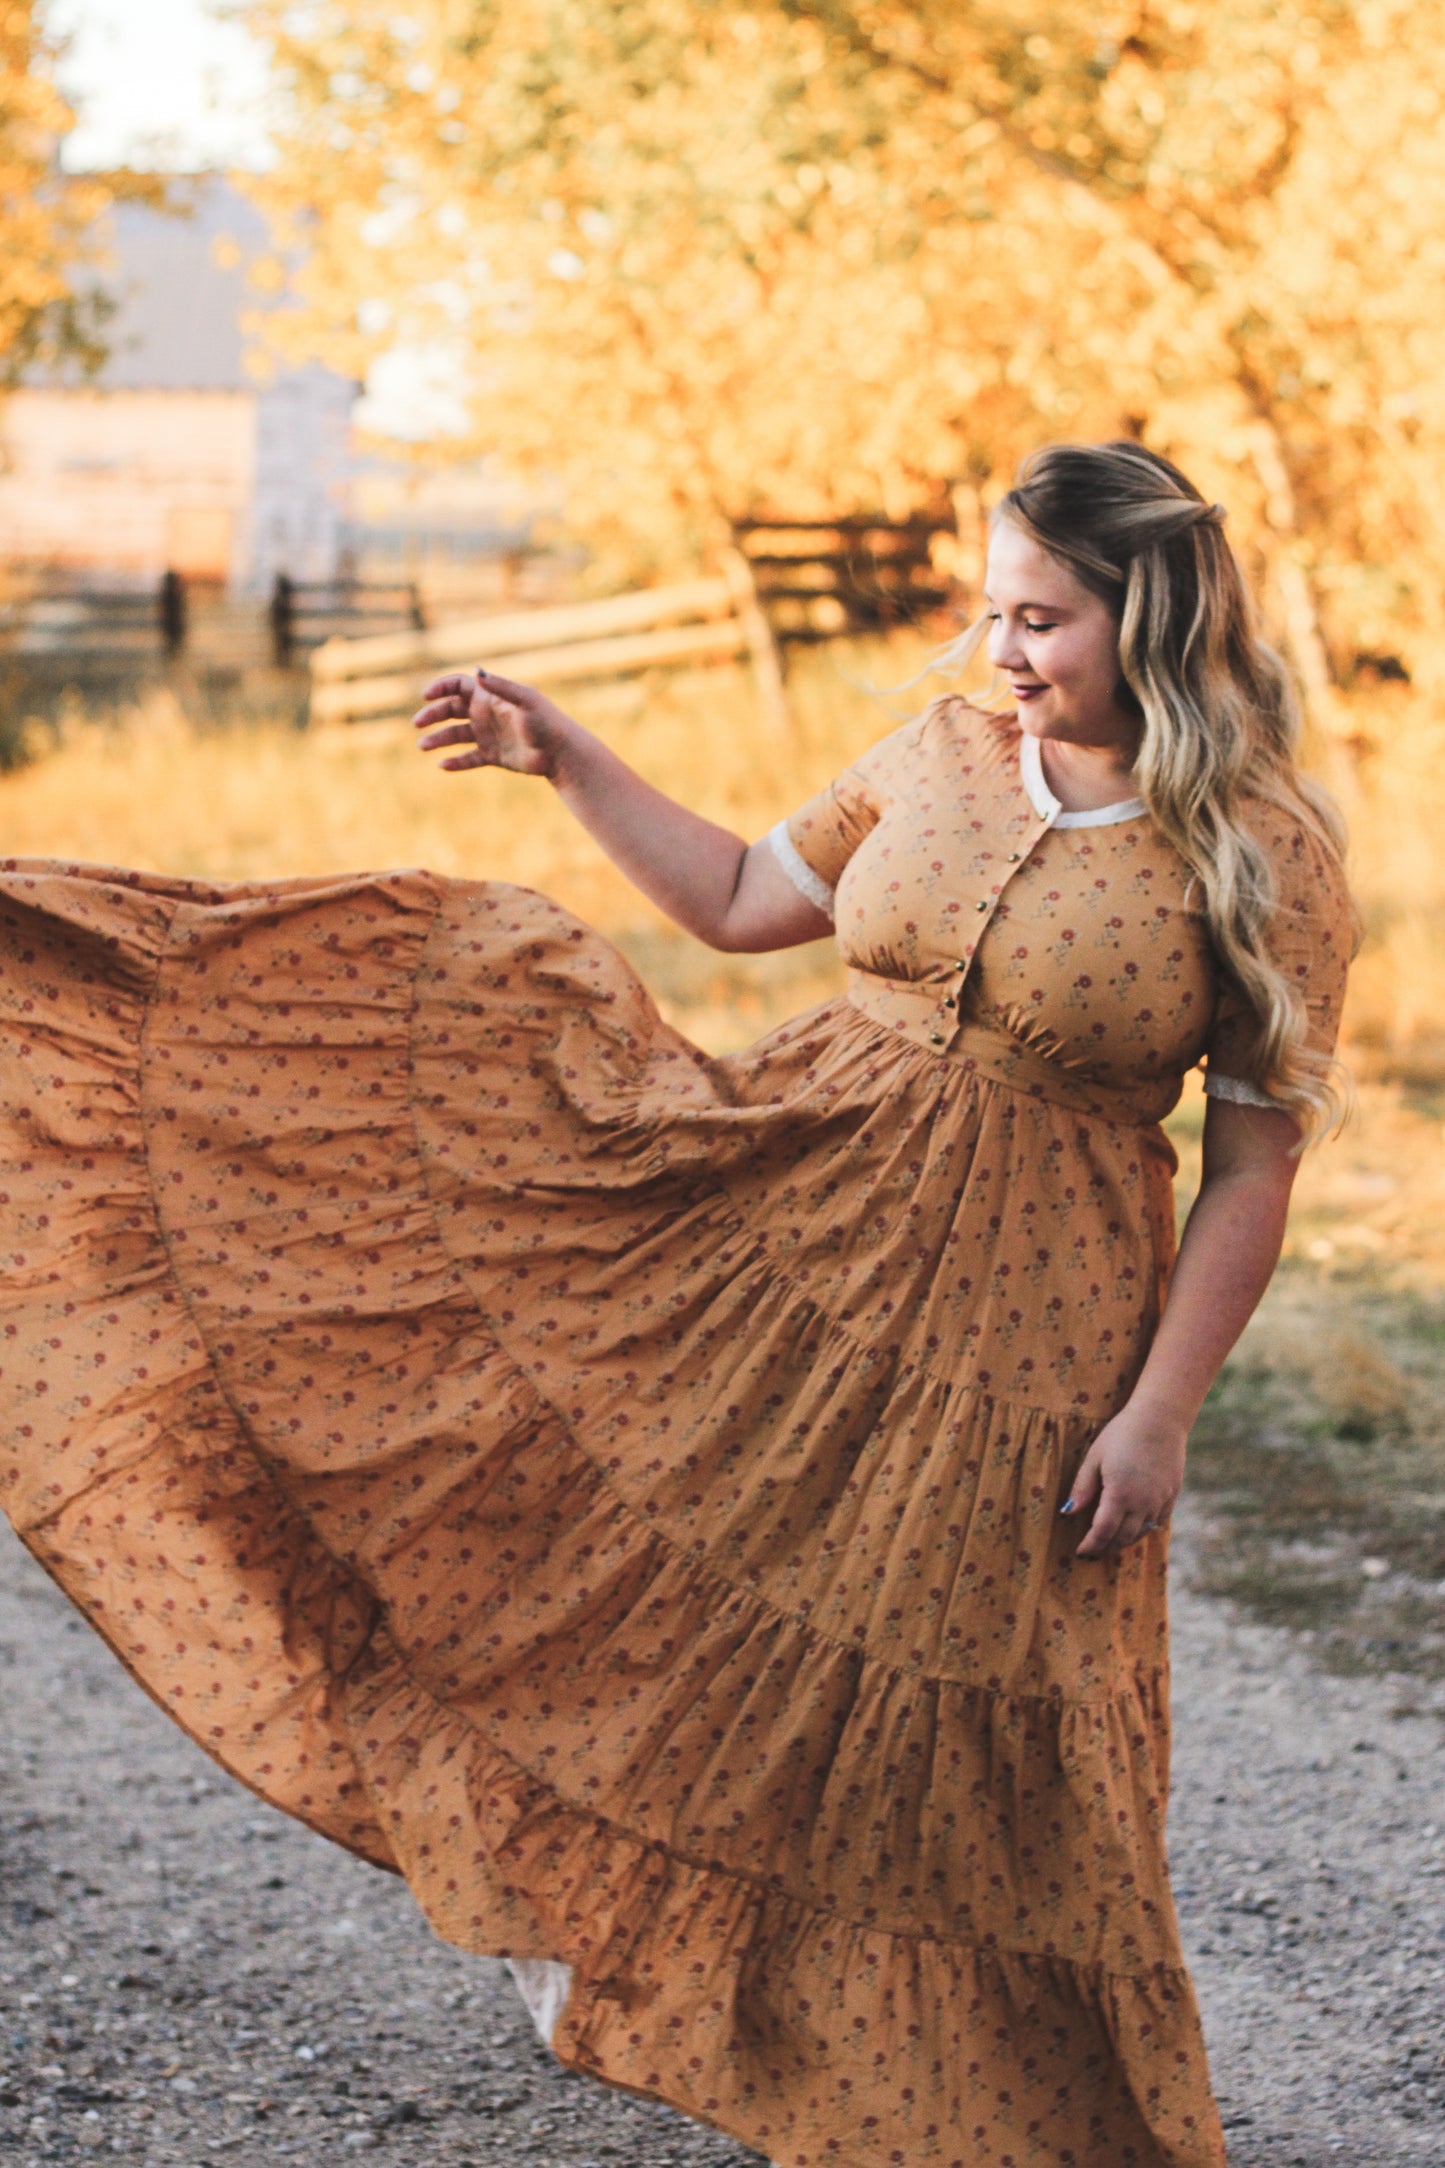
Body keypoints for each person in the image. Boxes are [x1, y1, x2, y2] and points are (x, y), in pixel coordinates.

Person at [0, 441, 1352, 2168]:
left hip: (1023, 1332)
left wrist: (1158, 1412)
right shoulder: (939, 752)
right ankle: (649, 1946)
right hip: (787, 1224)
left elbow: (1252, 1168)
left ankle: (1016, 2112)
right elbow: (730, 903)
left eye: (1042, 618)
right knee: (658, 1578)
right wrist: (565, 755)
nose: (1002, 649)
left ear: (1147, 614)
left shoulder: (1262, 851)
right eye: (990, 609)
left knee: (968, 1715)